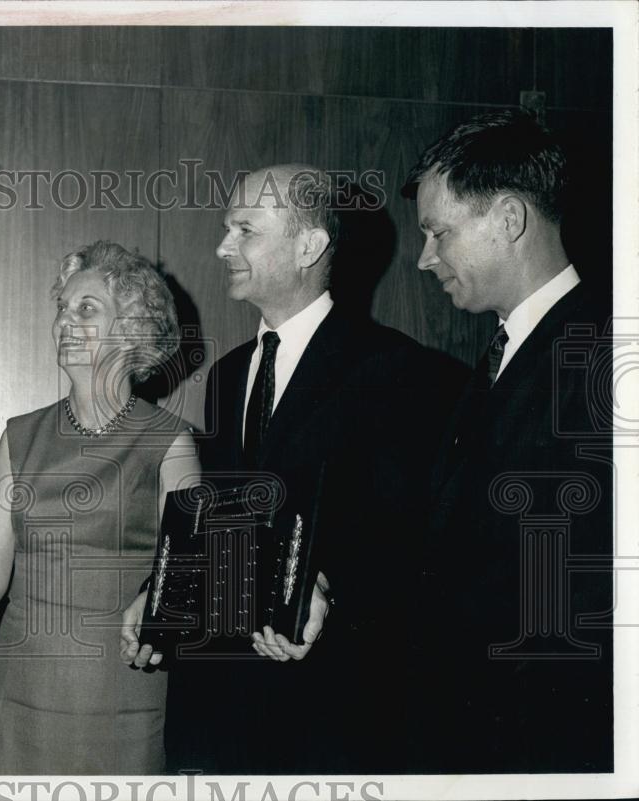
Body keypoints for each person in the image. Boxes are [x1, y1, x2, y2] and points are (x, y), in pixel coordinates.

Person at [122, 164, 467, 774]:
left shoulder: (400, 372)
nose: (223, 246)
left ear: (309, 245)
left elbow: (412, 541)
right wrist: (161, 596)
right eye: (227, 228)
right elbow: (222, 524)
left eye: (245, 230)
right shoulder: (228, 375)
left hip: (326, 711)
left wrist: (329, 587)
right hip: (220, 714)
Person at [402, 109, 613, 772]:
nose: (424, 257)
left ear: (509, 220)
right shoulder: (501, 356)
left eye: (439, 232)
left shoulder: (601, 358)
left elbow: (576, 607)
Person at [0, 241, 200, 775]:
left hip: (125, 696)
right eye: (61, 308)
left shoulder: (170, 443)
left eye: (86, 309)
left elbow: (189, 573)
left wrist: (159, 611)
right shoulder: (19, 436)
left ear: (131, 329)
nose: (64, 321)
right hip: (21, 698)